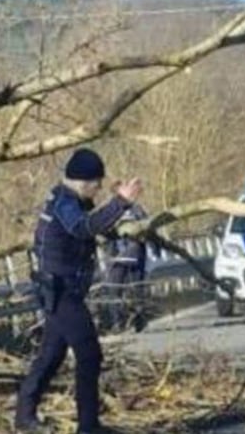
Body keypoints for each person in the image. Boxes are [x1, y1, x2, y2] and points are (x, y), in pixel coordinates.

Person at [15, 148, 141, 434]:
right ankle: (88, 426)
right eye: (97, 183)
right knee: (89, 353)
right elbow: (83, 229)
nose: (98, 189)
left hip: (65, 290)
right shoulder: (65, 203)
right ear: (84, 181)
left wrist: (120, 214)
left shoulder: (72, 199)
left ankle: (24, 416)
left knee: (51, 355)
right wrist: (120, 202)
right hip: (60, 292)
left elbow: (95, 226)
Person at [103, 203, 149, 332]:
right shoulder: (109, 210)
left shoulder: (137, 210)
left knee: (137, 288)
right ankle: (117, 322)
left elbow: (147, 228)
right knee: (114, 290)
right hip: (115, 257)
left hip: (134, 255)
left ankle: (138, 319)